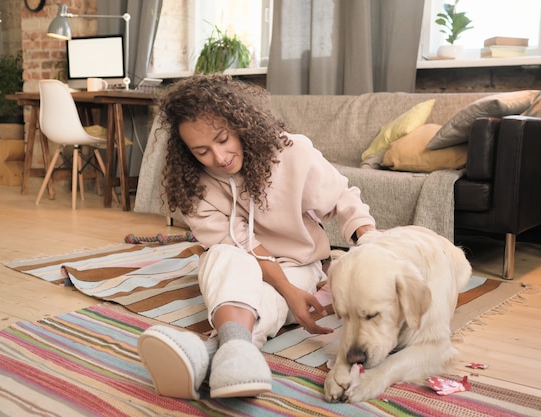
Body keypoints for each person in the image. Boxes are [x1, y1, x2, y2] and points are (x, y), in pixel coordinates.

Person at [137, 74, 375, 400]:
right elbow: (240, 245)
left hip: (299, 265)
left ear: (240, 124)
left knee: (268, 298)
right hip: (242, 259)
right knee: (220, 257)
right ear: (187, 151)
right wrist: (289, 292)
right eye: (202, 151)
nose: (219, 158)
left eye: (223, 139)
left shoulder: (292, 153)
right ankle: (235, 358)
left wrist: (370, 242)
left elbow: (342, 199)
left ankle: (212, 353)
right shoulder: (192, 187)